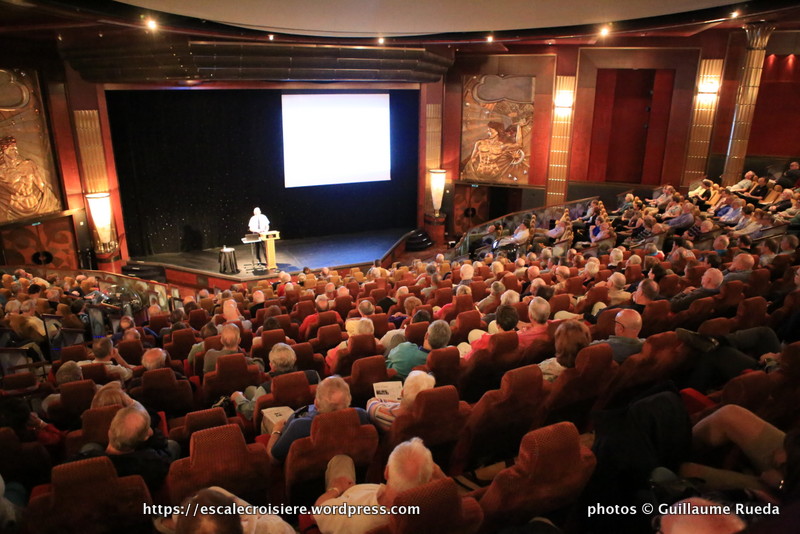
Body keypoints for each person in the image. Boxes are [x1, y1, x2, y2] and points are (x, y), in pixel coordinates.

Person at [313, 438, 443, 534]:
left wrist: (336, 489)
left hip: (343, 501)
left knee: (341, 460)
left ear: (386, 472)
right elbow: (450, 491)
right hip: (357, 493)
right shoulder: (434, 511)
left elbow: (316, 513)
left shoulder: (353, 516)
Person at [267, 377, 369, 463]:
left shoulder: (298, 427)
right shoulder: (361, 415)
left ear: (316, 403)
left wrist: (276, 430)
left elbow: (273, 458)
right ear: (349, 401)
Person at [231, 343, 320, 421]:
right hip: (308, 415)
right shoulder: (314, 375)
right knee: (251, 389)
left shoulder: (264, 389)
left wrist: (238, 397)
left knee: (249, 390)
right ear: (295, 359)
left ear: (271, 365)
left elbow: (250, 412)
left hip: (279, 423)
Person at [366, 370, 435, 432]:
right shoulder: (429, 418)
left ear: (401, 392)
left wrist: (391, 401)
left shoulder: (379, 413)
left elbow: (371, 401)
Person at [386, 320, 451, 379]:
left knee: (397, 338)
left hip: (396, 380)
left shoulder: (404, 349)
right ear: (447, 342)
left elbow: (389, 356)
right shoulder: (450, 356)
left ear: (426, 335)